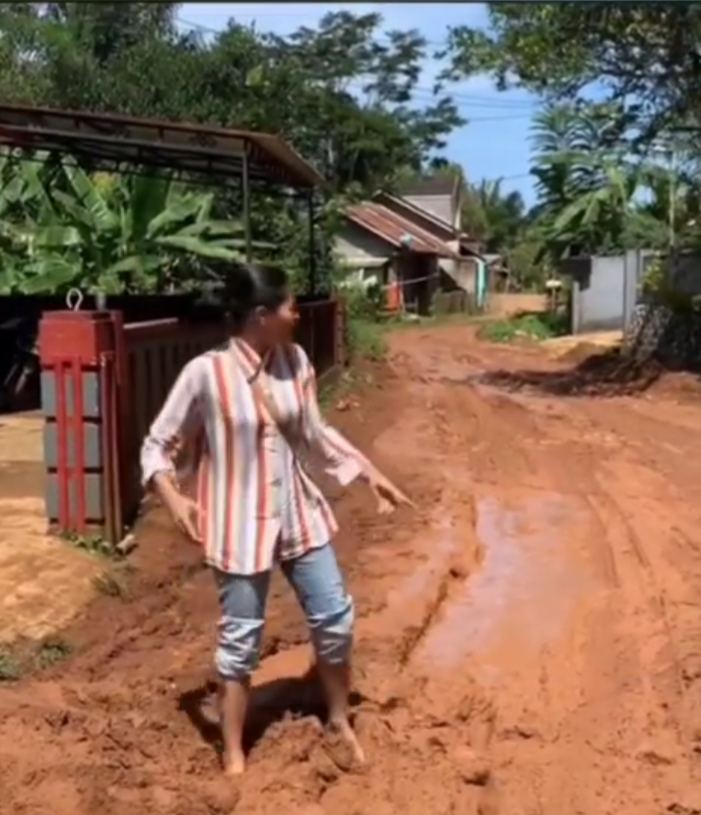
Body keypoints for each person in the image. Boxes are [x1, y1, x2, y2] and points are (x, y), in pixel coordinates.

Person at [140, 263, 410, 776]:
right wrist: (175, 501)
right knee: (242, 640)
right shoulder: (206, 374)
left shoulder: (296, 361)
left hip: (298, 514)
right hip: (239, 523)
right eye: (289, 306)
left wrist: (368, 472)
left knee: (335, 618)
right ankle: (235, 755)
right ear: (261, 315)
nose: (297, 314)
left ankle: (336, 718)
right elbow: (158, 445)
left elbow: (314, 432)